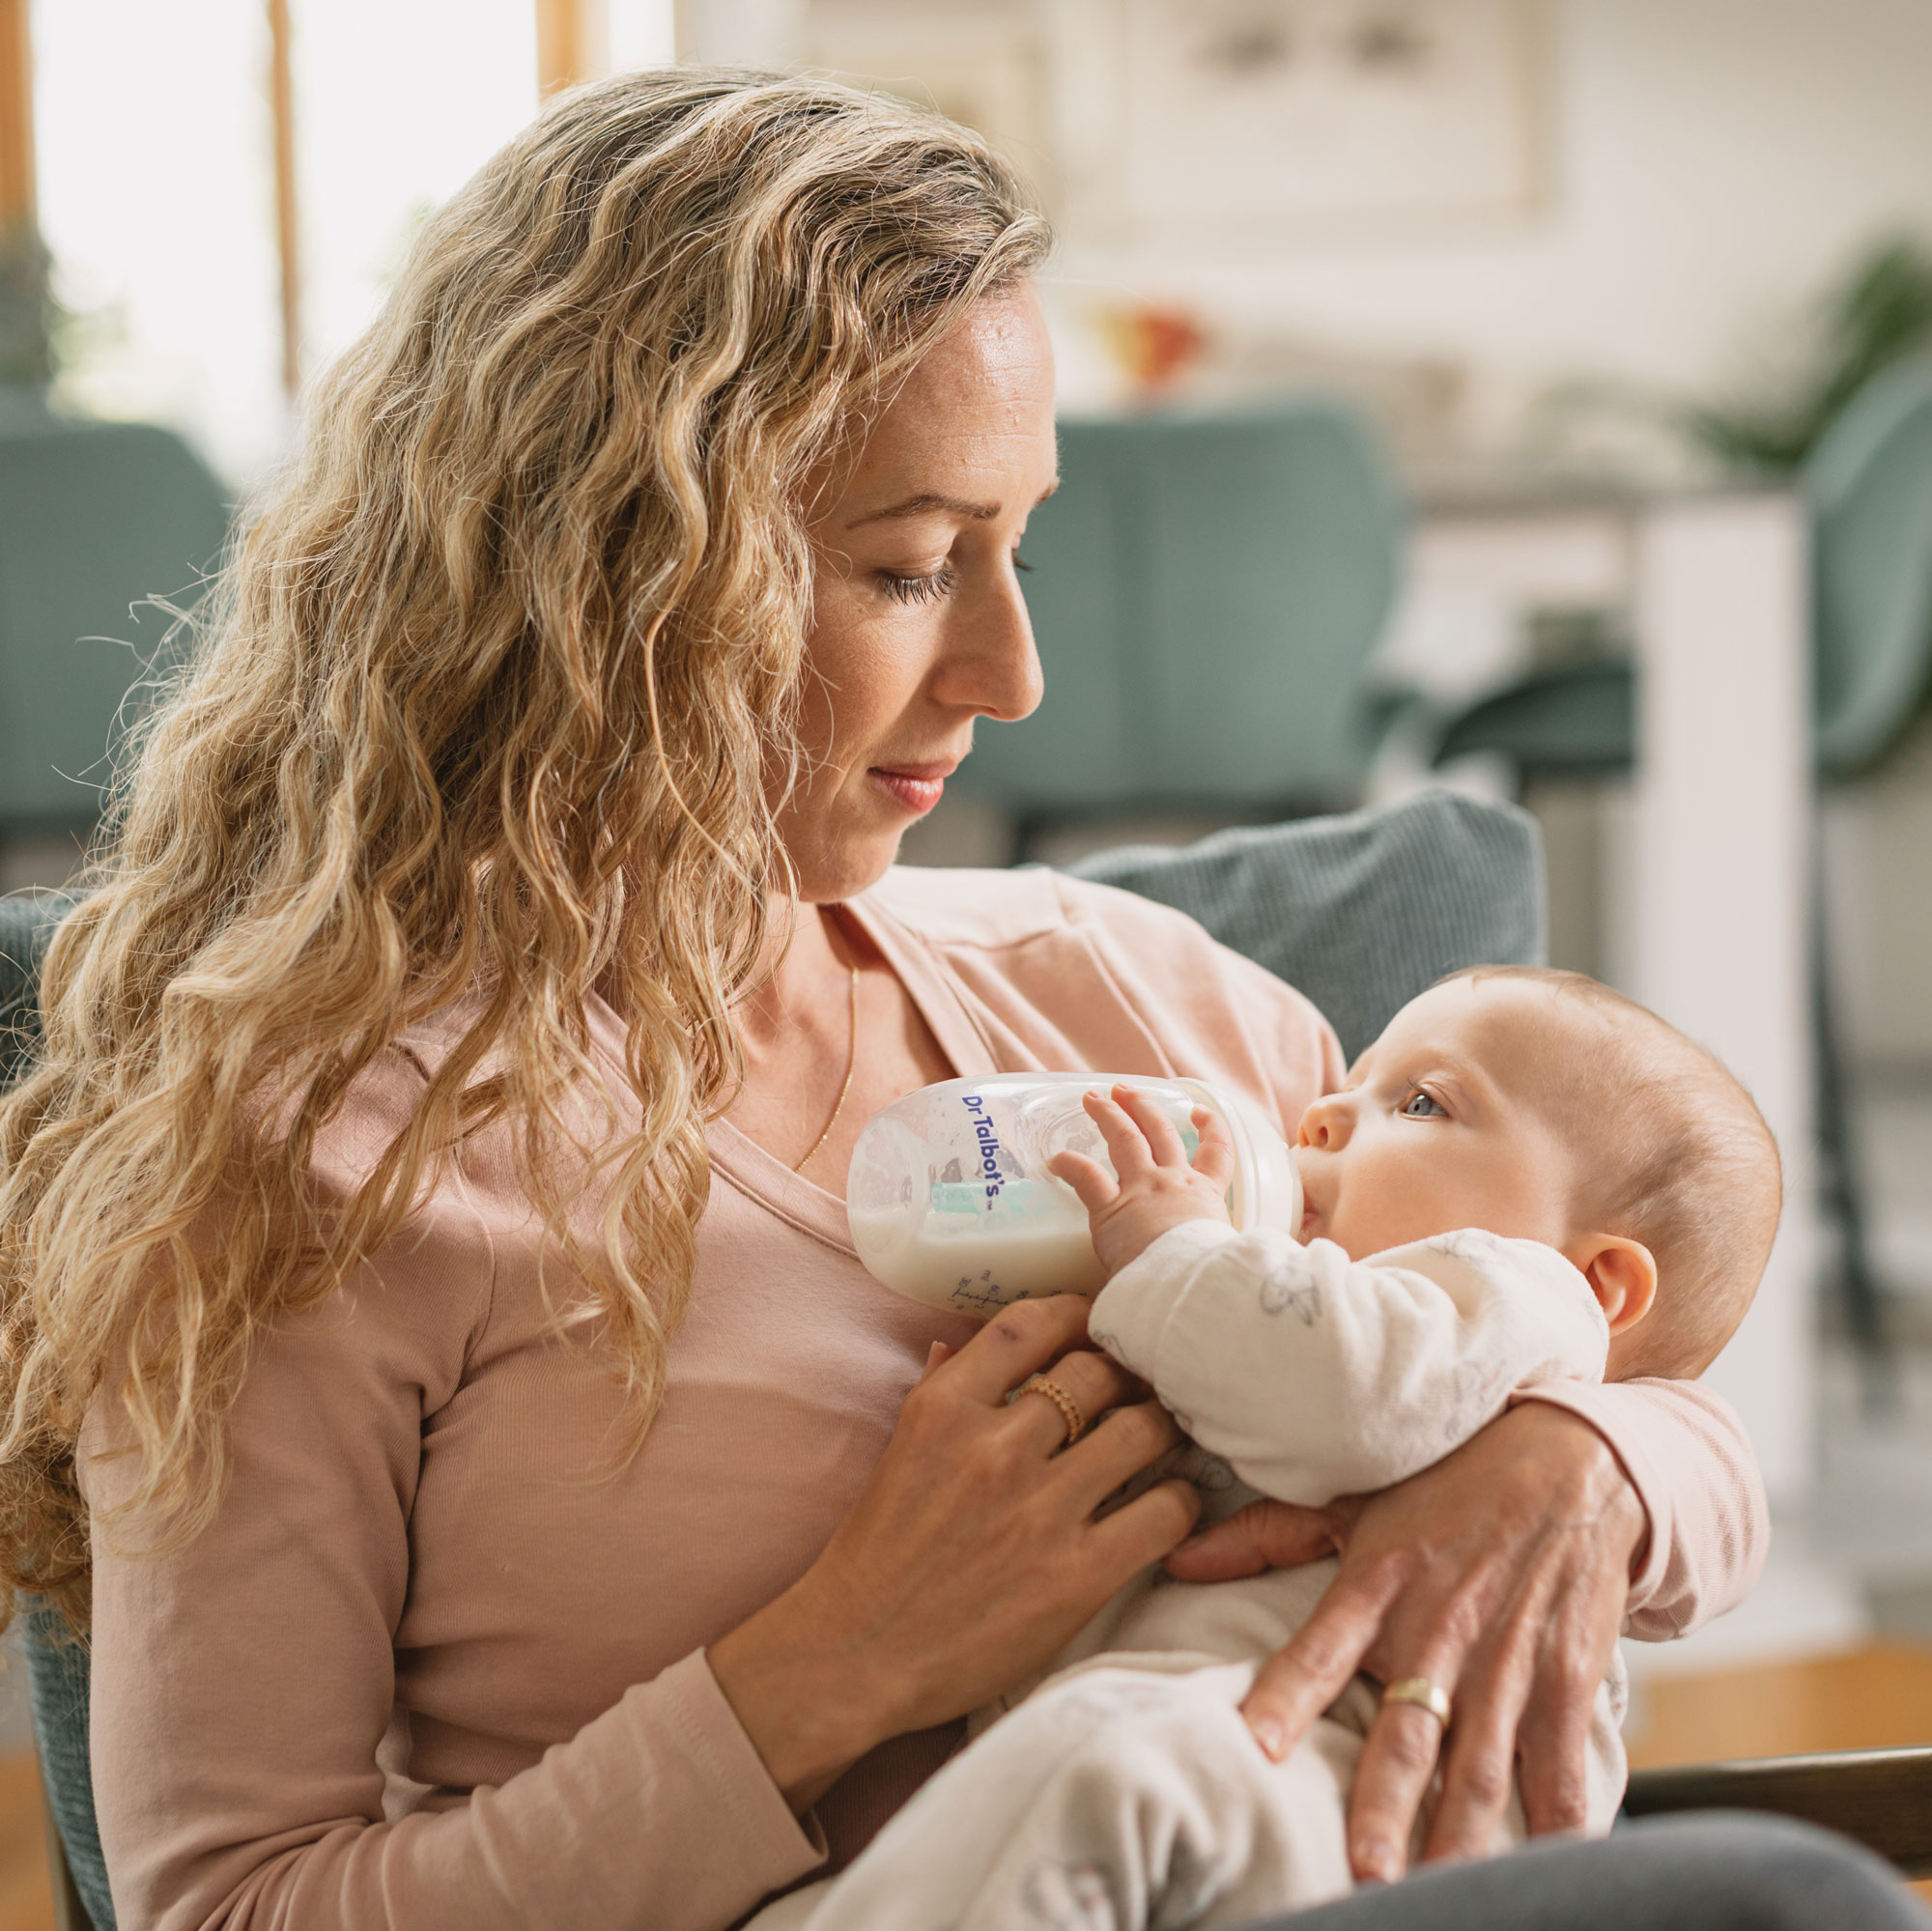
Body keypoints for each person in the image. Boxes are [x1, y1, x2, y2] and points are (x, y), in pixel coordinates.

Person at [0, 67, 1801, 1931]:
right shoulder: (324, 1162)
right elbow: (226, 1907)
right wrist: (832, 1665)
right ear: (619, 572)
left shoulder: (1139, 1000)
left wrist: (1578, 1461)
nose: (1013, 672)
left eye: (1019, 545)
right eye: (911, 564)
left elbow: (1626, 1329)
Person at [779, 967, 1780, 1928]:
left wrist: (1170, 1247)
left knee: (1098, 1764)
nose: (1319, 1118)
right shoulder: (1304, 1303)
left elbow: (1349, 1397)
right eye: (1347, 1088)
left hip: (1353, 1788)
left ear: (1598, 1281)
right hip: (1224, 1773)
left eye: (1424, 1103)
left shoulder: (1517, 1296)